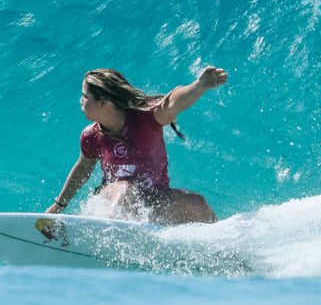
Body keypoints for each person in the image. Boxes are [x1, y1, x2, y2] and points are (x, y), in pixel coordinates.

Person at [45, 66, 228, 225]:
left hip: (153, 202)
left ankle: (225, 254)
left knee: (197, 202)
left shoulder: (146, 119)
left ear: (103, 102)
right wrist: (59, 205)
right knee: (126, 189)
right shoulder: (91, 136)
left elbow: (171, 104)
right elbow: (83, 168)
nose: (81, 100)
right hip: (111, 201)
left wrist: (199, 85)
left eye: (85, 96)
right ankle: (107, 236)